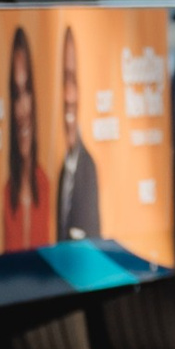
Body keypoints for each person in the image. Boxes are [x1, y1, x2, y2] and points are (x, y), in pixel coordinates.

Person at [2, 24, 51, 251]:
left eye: (27, 91)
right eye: (15, 94)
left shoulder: (46, 186)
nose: (22, 109)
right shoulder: (6, 194)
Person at [53, 26, 101, 240]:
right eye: (63, 82)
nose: (68, 96)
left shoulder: (86, 167)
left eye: (72, 80)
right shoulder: (62, 169)